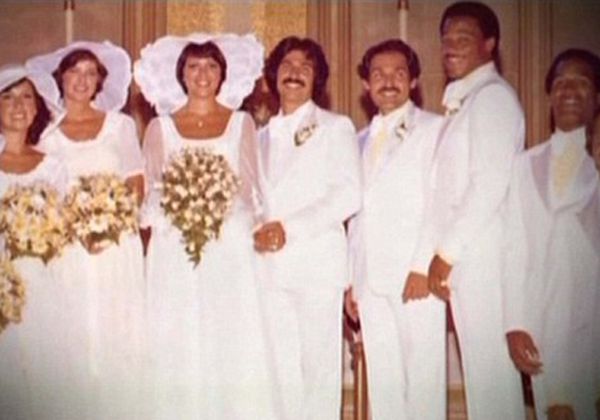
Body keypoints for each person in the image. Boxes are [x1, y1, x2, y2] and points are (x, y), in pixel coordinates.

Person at [134, 33, 276, 420]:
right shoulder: (160, 127)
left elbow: (251, 188)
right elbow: (151, 193)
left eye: (211, 66)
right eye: (194, 66)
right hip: (176, 247)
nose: (202, 74)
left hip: (229, 245)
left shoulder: (241, 123)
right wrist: (183, 210)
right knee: (179, 333)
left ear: (222, 75)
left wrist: (229, 216)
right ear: (181, 74)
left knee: (228, 332)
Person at [27, 41, 145, 419]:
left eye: (90, 73)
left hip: (115, 242)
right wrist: (74, 226)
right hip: (69, 245)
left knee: (116, 322)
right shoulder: (45, 135)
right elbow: (41, 193)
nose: (82, 80)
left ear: (100, 82)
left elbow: (136, 183)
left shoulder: (120, 125)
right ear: (60, 78)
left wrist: (109, 224)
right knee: (74, 325)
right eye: (74, 72)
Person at [424, 2, 526, 419]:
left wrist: (445, 253)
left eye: (463, 38)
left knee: (492, 381)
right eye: (446, 39)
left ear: (489, 45)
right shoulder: (468, 100)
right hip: (470, 261)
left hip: (483, 258)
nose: (451, 46)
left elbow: (488, 184)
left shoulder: (493, 99)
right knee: (483, 383)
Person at [254, 36, 361, 420]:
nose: (295, 72)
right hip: (268, 271)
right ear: (273, 76)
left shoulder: (335, 127)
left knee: (319, 372)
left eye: (305, 67)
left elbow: (348, 193)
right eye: (287, 65)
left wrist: (290, 229)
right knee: (279, 372)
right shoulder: (258, 136)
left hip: (316, 266)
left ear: (317, 79)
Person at [344, 39, 446, 420]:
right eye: (378, 74)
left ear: (413, 80)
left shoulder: (435, 129)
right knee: (384, 388)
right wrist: (352, 280)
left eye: (398, 73)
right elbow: (355, 216)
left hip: (414, 278)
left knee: (423, 384)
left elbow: (440, 201)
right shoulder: (356, 140)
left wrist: (422, 266)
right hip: (370, 281)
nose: (388, 82)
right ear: (366, 85)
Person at [504, 48, 600, 420]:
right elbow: (513, 249)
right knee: (557, 410)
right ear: (549, 97)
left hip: (593, 317)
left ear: (597, 98)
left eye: (581, 82)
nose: (569, 91)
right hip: (545, 320)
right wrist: (516, 323)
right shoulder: (523, 166)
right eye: (560, 83)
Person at [0, 64, 67, 420]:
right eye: (7, 97)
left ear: (37, 107)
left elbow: (62, 227)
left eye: (26, 97)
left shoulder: (53, 166)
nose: (18, 105)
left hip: (42, 280)